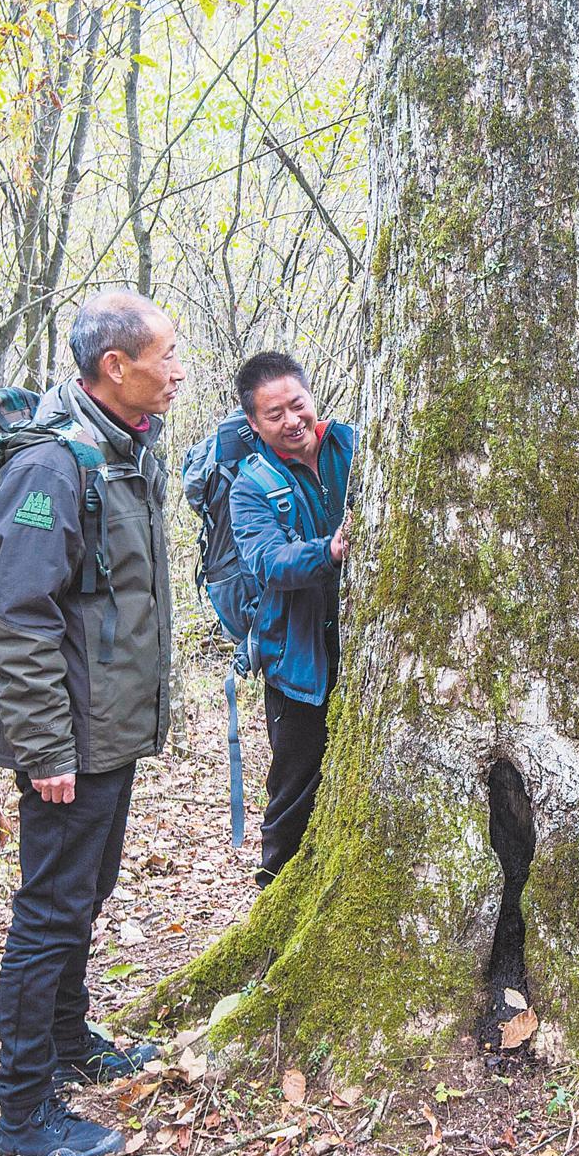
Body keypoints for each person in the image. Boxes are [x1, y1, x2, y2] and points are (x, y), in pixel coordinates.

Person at [0, 290, 184, 1156]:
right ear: (115, 366)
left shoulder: (124, 449)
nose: (178, 372)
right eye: (166, 356)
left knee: (83, 897)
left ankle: (68, 1041)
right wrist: (45, 749)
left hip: (109, 729)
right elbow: (18, 616)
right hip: (68, 738)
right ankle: (24, 1111)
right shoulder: (51, 466)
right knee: (50, 913)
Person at [226, 351, 355, 886]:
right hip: (296, 662)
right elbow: (268, 561)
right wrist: (329, 551)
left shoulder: (350, 446)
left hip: (363, 651)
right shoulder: (250, 485)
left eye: (297, 405)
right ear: (253, 423)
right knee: (295, 787)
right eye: (274, 414)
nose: (291, 421)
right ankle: (275, 889)